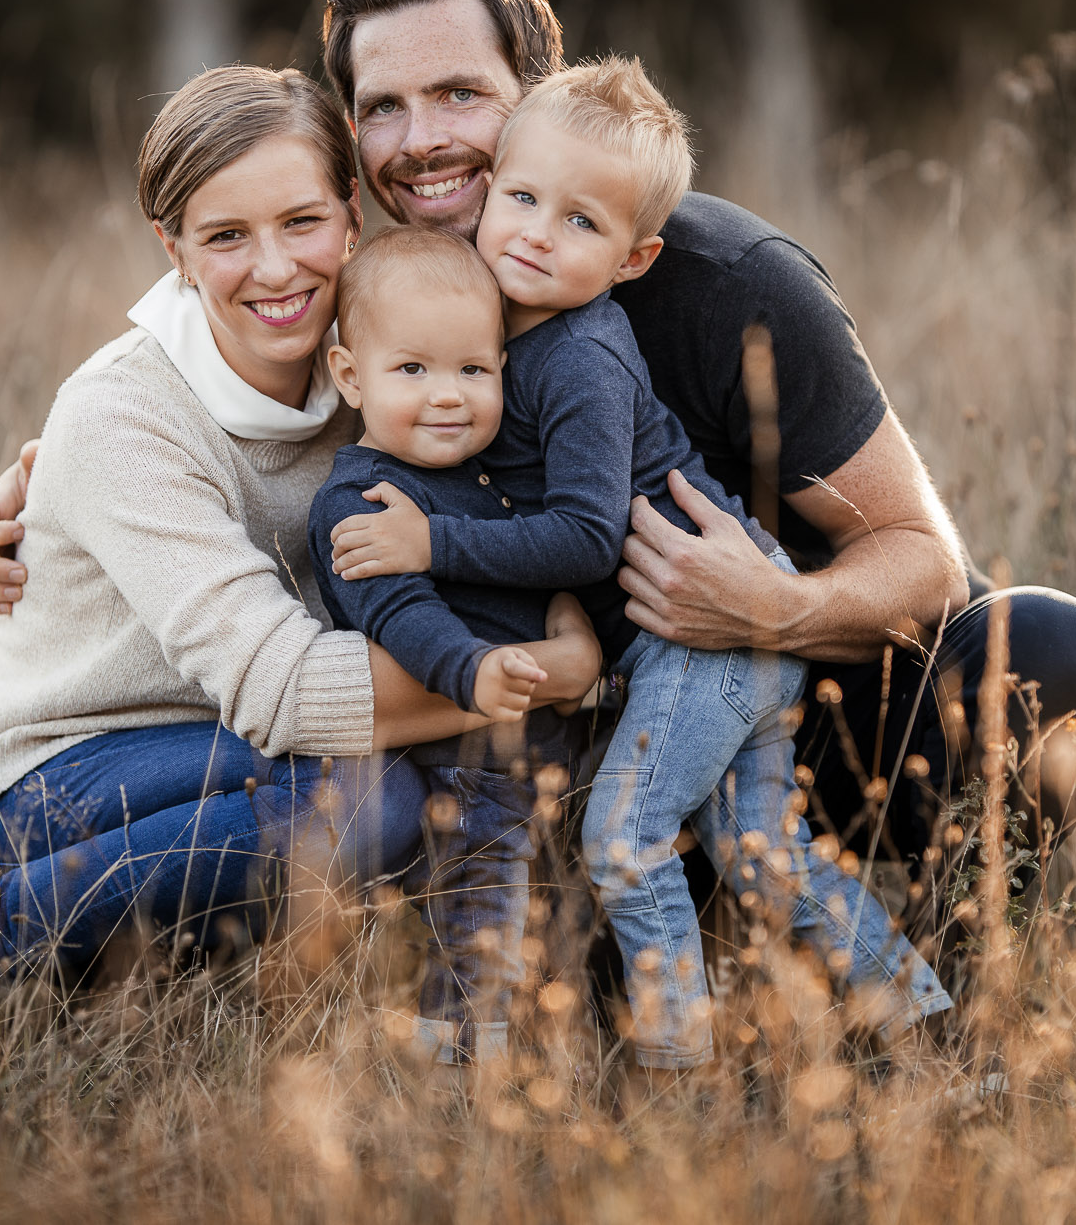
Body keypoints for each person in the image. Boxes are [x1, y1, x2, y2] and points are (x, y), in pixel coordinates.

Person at [0, 0, 1076, 996]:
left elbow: (926, 568)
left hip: (790, 708)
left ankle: (975, 968)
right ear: (353, 145)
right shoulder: (371, 317)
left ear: (538, 98)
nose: (423, 139)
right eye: (385, 107)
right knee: (569, 990)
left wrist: (780, 606)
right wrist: (44, 484)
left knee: (1042, 649)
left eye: (460, 94)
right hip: (560, 767)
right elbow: (200, 378)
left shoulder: (723, 284)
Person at [0, 64, 600, 1078]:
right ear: (171, 250)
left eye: (301, 221)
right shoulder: (123, 416)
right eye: (224, 238)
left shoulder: (389, 360)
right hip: (47, 784)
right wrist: (542, 670)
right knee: (364, 805)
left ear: (350, 215)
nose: (275, 269)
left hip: (231, 752)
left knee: (399, 794)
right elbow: (290, 692)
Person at [325, 61, 945, 1070]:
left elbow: (579, 535)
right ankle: (921, 1019)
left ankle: (674, 1071)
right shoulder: (495, 321)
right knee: (763, 856)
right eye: (520, 200)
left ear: (632, 256)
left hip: (712, 639)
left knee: (621, 839)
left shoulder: (576, 357)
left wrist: (428, 545)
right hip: (689, 647)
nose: (532, 231)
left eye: (578, 223)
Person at [307, 224, 572, 1069]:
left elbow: (535, 554)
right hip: (460, 758)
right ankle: (462, 1054)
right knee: (480, 903)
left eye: (473, 369)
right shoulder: (361, 495)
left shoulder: (489, 472)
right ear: (351, 375)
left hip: (533, 745)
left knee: (540, 910)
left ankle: (522, 1029)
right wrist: (470, 667)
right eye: (412, 370)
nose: (448, 394)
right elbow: (397, 612)